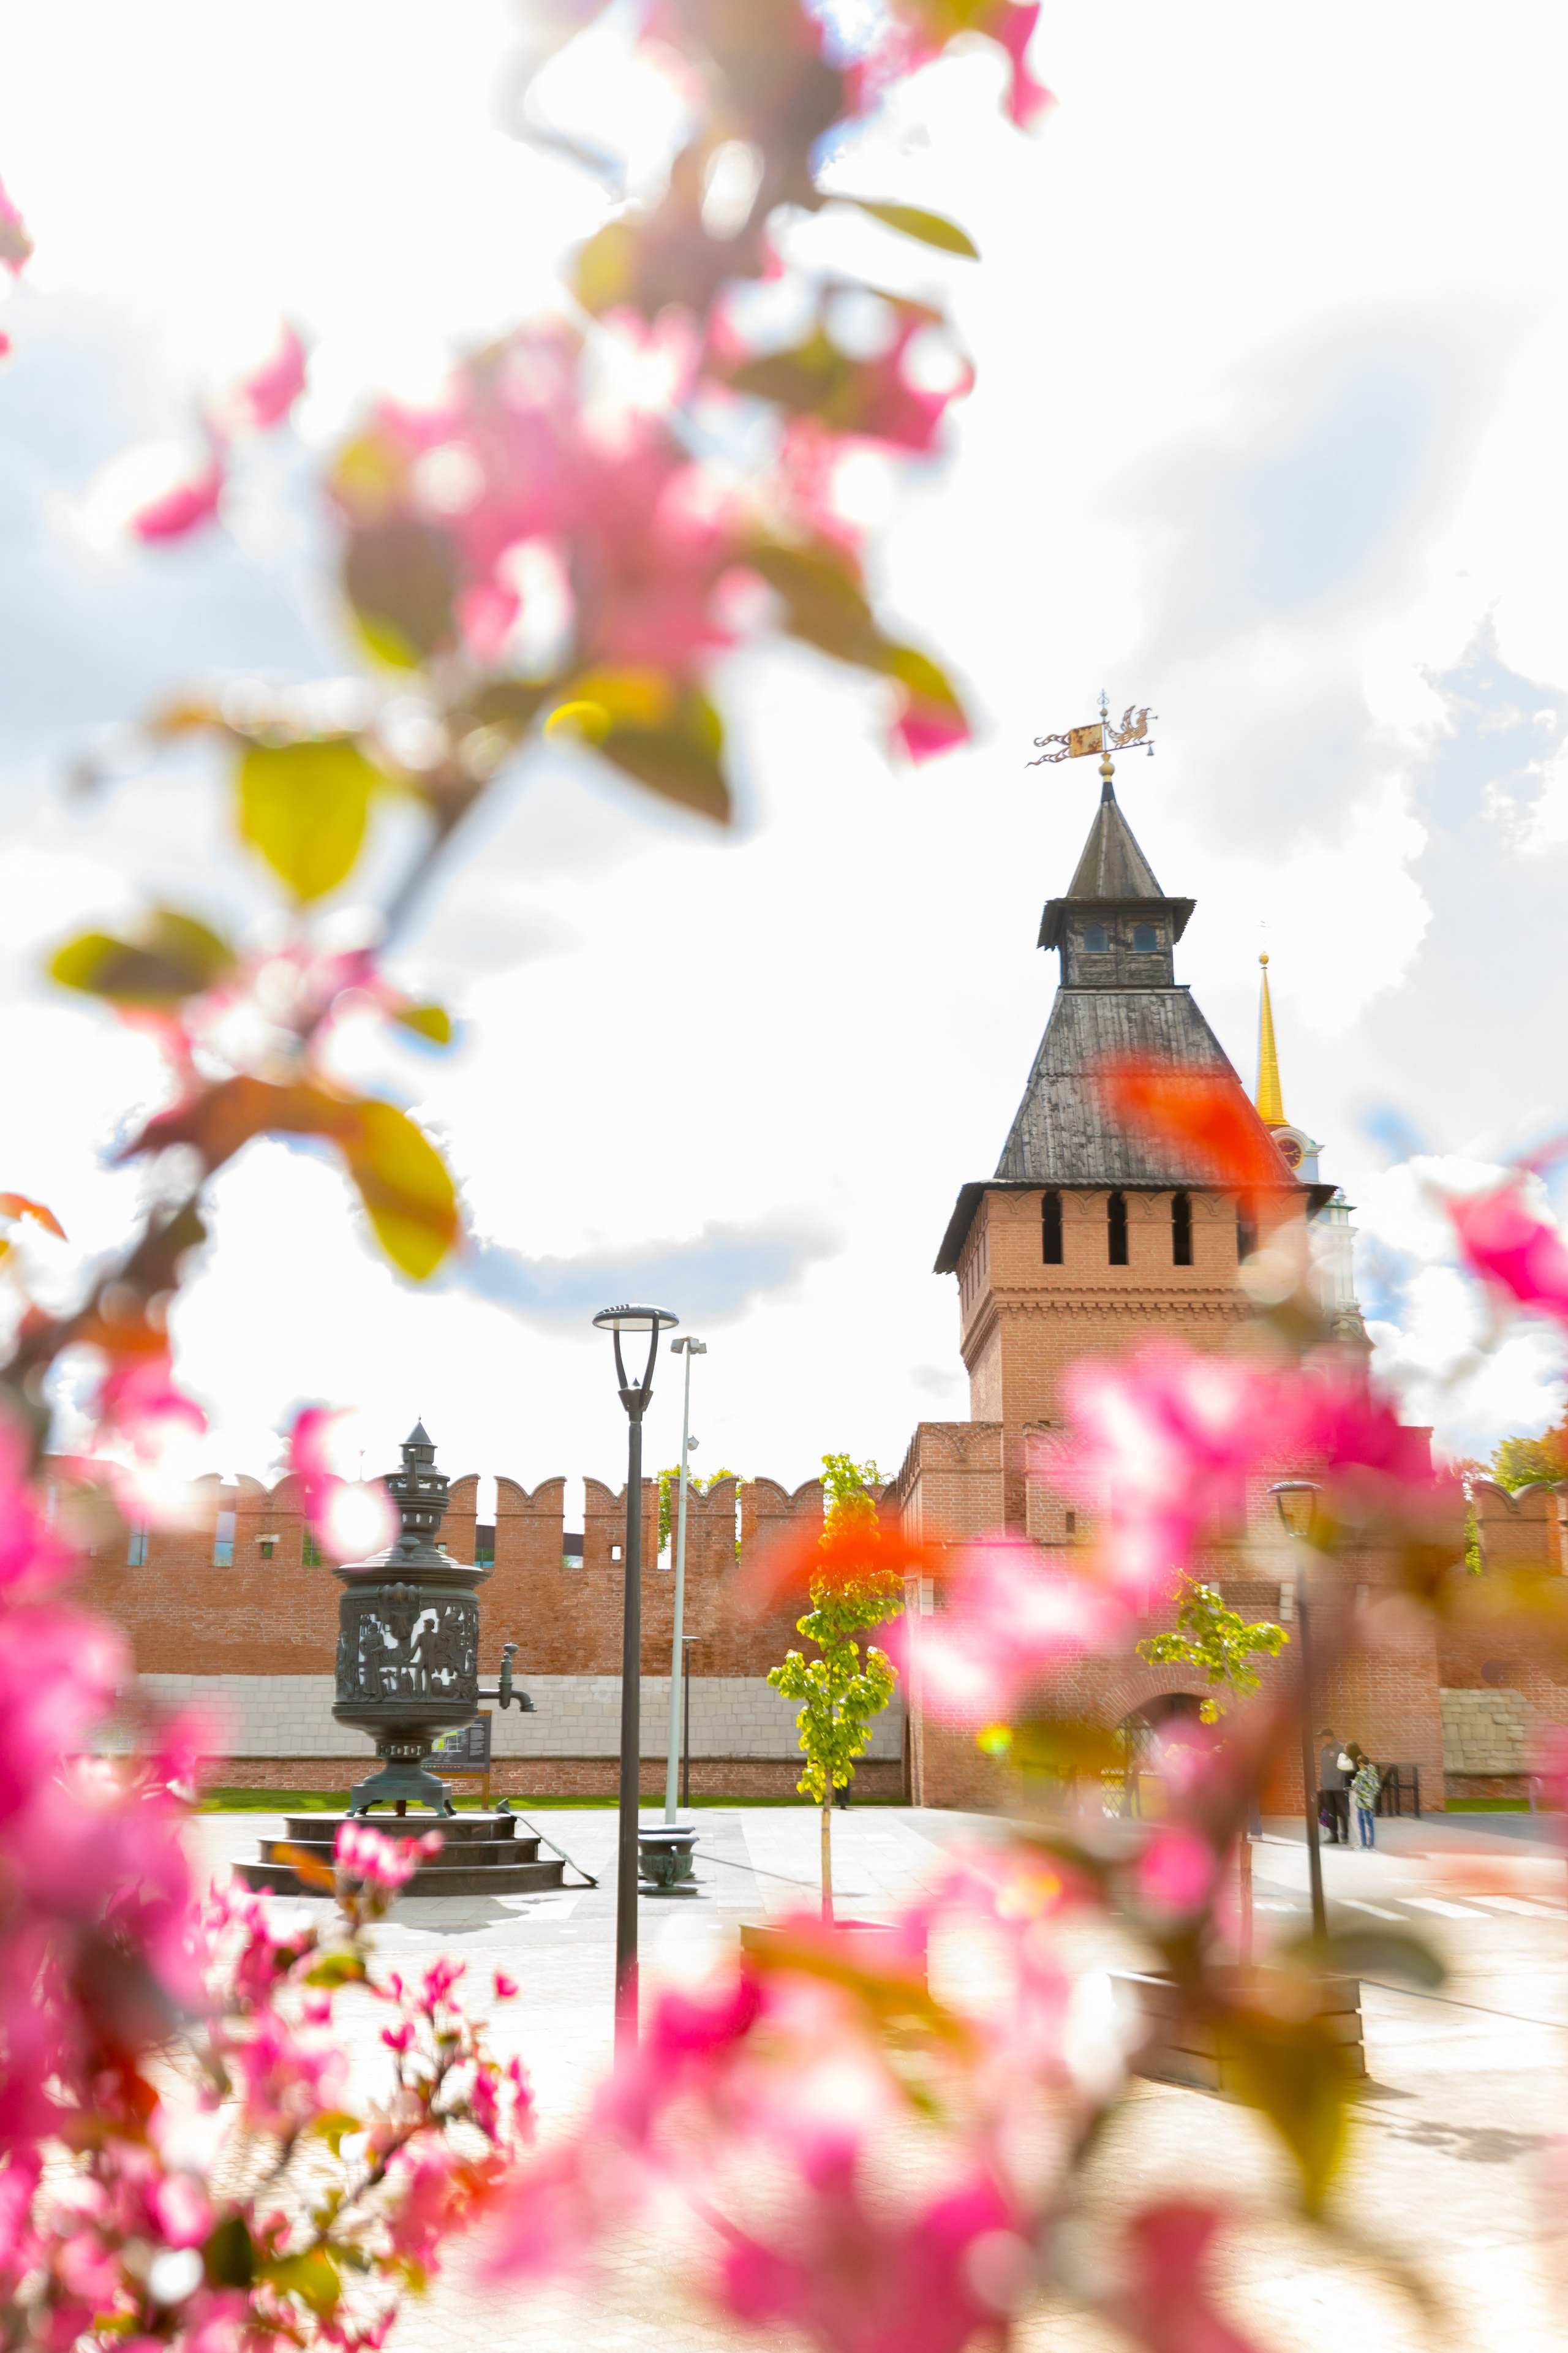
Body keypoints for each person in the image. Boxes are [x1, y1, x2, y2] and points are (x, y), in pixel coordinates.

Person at [1317, 1728, 1351, 1845]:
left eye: (1323, 1737)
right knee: (1330, 1812)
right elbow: (1323, 1768)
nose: (1322, 1739)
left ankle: (1345, 1836)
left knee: (1342, 1812)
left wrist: (1346, 1784)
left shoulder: (1342, 1748)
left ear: (1330, 1736)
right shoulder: (1324, 1749)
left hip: (1339, 1786)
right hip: (1327, 1787)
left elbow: (1348, 1767)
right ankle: (1333, 1835)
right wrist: (1321, 1781)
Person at [1350, 1746, 1381, 1848]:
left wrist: (1353, 1783)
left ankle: (1363, 1843)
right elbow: (1377, 1787)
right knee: (1370, 1824)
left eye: (1359, 1765)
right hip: (1370, 1802)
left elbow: (1356, 1786)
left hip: (1362, 1802)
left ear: (1361, 1764)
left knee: (1362, 1823)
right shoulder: (1374, 1773)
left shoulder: (1361, 1774)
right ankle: (1371, 1844)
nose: (1359, 1767)